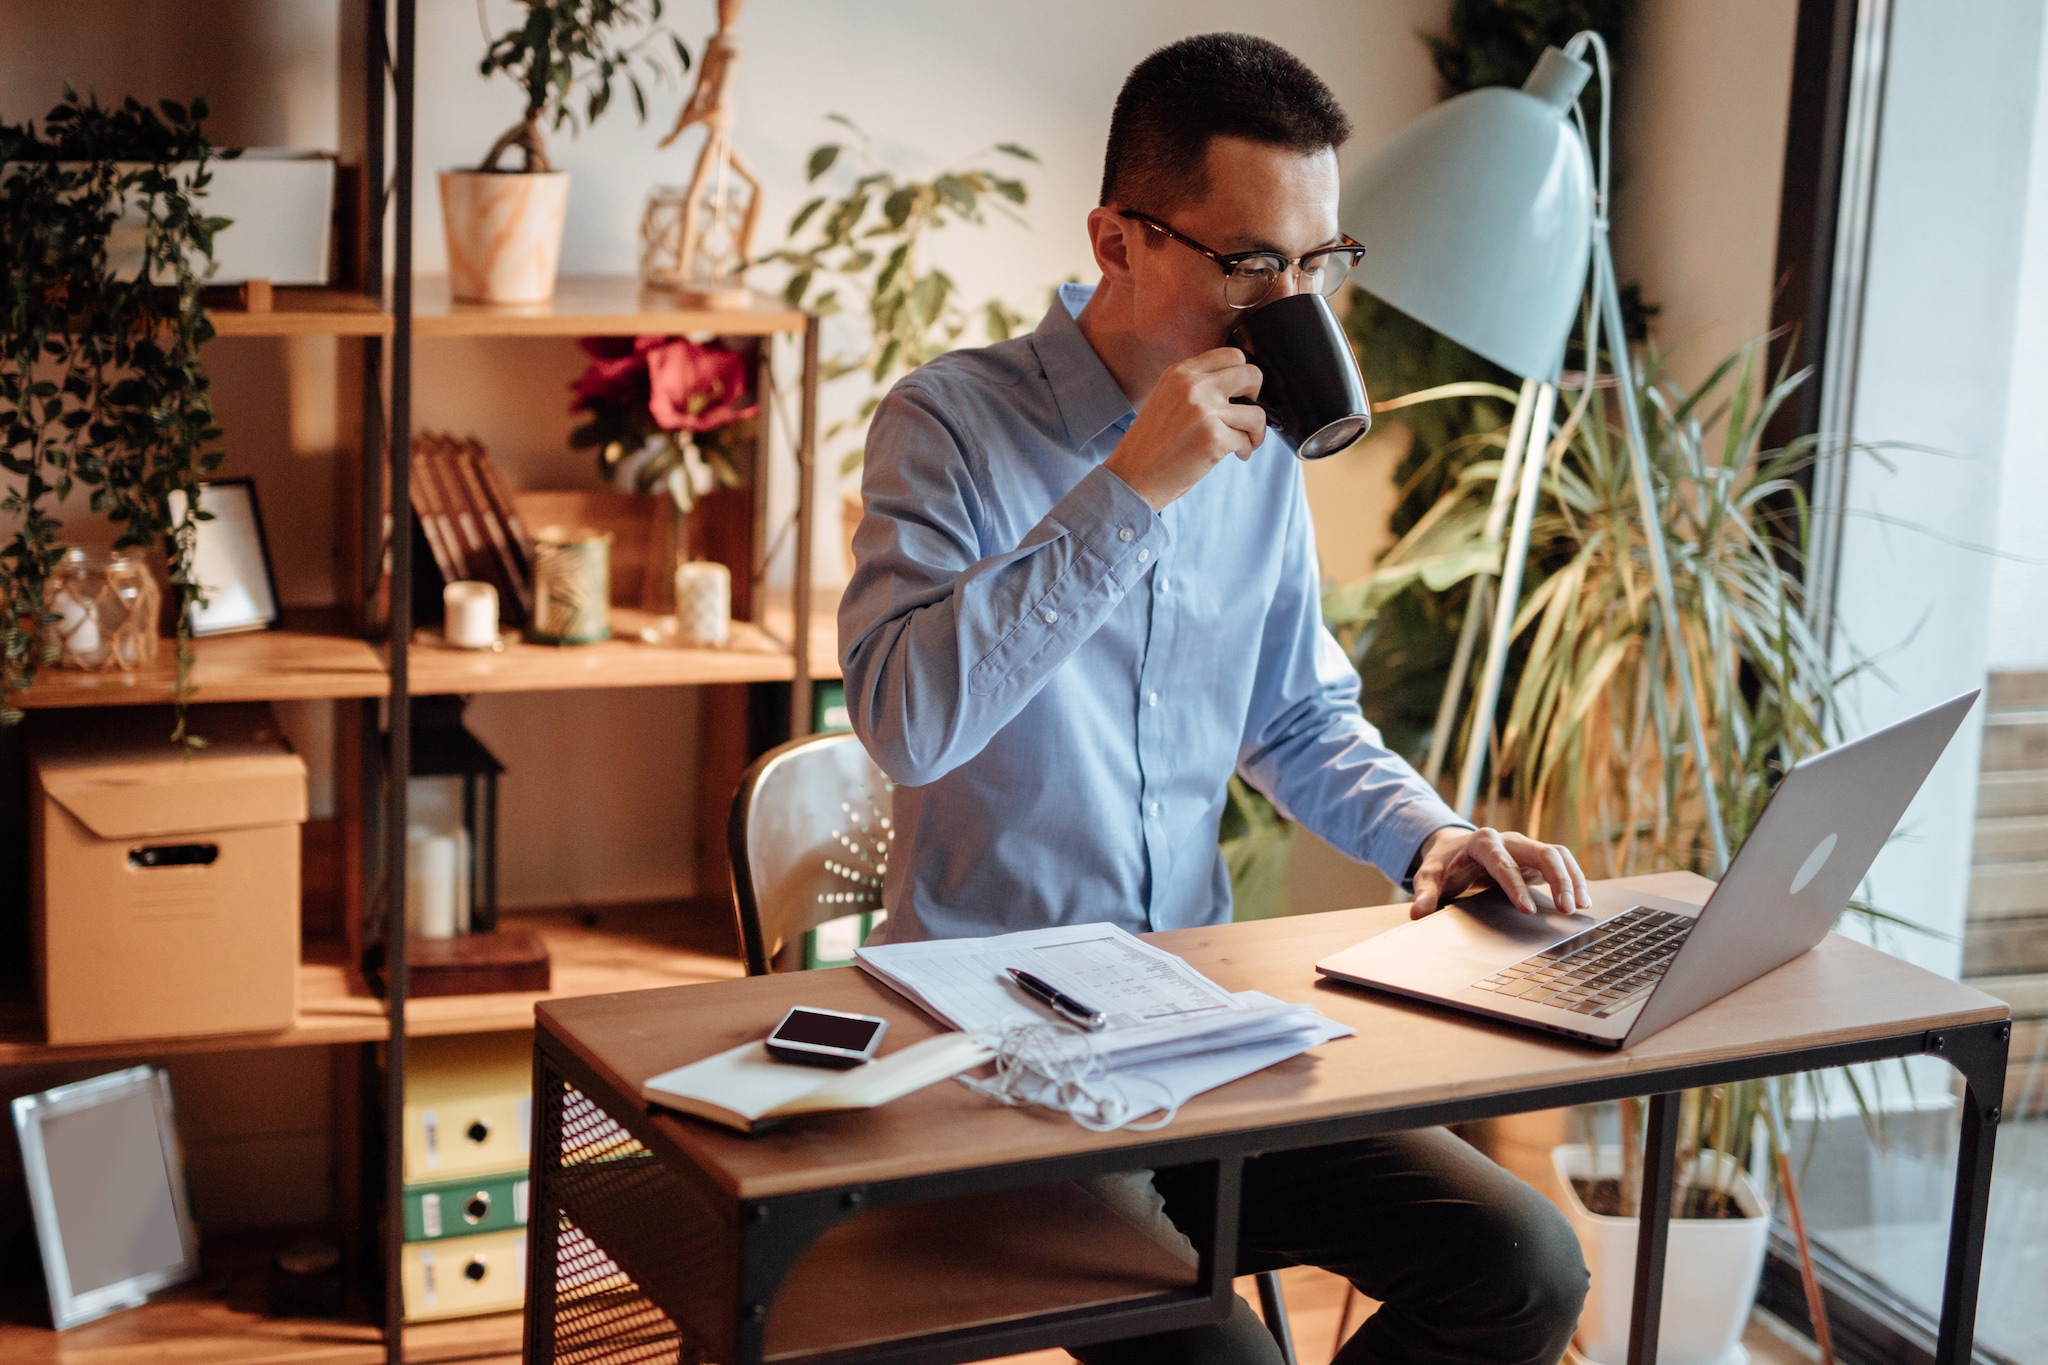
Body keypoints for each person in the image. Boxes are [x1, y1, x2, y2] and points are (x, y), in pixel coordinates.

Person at [840, 32, 1592, 1365]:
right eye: (1253, 264)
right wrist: (1128, 491)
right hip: (995, 1054)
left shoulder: (1261, 450)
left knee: (1524, 1264)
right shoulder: (948, 423)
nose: (1291, 304)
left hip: (1195, 1025)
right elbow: (906, 722)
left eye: (1320, 263)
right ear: (1118, 239)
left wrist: (1430, 836)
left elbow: (1296, 717)